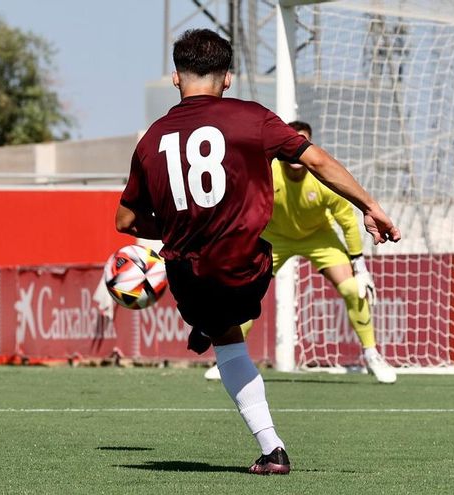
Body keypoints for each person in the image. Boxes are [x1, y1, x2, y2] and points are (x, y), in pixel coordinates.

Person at [115, 28, 401, 476]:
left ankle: (268, 441)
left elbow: (125, 222)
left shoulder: (151, 139)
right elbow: (317, 161)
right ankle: (221, 337)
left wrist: (167, 225)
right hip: (247, 267)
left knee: (224, 336)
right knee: (233, 306)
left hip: (188, 274)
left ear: (176, 78)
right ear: (228, 78)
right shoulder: (252, 118)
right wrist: (371, 206)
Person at [204, 121, 397, 384]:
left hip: (319, 238)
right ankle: (229, 360)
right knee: (243, 295)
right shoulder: (265, 174)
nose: (296, 148)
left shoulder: (326, 178)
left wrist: (359, 267)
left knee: (354, 289)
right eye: (290, 142)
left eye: (302, 142)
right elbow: (242, 210)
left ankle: (371, 354)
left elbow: (347, 222)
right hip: (274, 238)